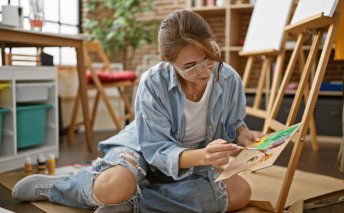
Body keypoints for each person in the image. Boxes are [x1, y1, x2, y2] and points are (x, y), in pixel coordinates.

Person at [12, 10, 261, 213]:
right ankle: (62, 187)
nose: (205, 72)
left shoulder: (229, 79)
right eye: (190, 66)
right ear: (170, 62)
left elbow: (234, 123)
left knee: (241, 193)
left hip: (194, 163)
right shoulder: (153, 82)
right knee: (115, 185)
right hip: (143, 148)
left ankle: (129, 204)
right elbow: (156, 150)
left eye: (209, 57)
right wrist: (204, 157)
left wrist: (242, 134)